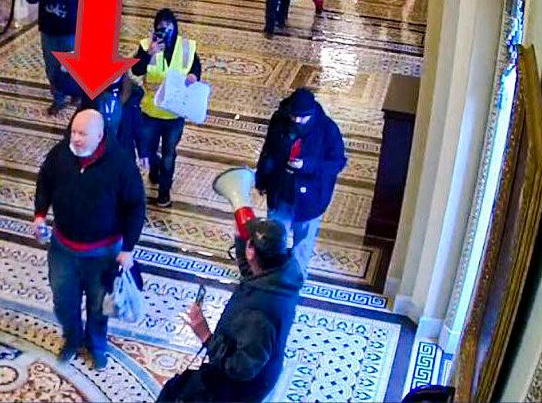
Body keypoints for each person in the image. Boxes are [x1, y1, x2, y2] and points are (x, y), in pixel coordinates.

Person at [32, 109, 146, 370]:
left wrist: (128, 248)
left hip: (103, 254)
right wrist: (40, 215)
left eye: (83, 134)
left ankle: (96, 344)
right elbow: (44, 184)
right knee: (64, 302)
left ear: (99, 135)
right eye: (73, 132)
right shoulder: (60, 155)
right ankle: (72, 338)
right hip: (63, 249)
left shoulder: (120, 163)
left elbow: (135, 206)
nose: (76, 138)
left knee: (98, 306)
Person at [158, 218, 303, 403]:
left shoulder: (259, 314)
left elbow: (241, 368)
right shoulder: (282, 275)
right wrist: (240, 239)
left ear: (252, 252)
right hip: (262, 369)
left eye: (248, 241)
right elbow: (251, 273)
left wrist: (206, 336)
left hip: (238, 389)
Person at [255, 88, 346, 273]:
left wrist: (306, 165)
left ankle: (295, 280)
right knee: (274, 241)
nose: (296, 121)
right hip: (280, 193)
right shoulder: (280, 121)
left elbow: (336, 163)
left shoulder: (328, 129)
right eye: (294, 116)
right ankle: (271, 277)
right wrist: (262, 180)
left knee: (302, 245)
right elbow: (269, 152)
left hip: (310, 199)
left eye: (302, 118)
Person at [131, 9, 201, 207]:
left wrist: (194, 76)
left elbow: (196, 67)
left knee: (170, 153)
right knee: (148, 150)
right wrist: (148, 54)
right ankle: (155, 168)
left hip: (174, 114)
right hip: (150, 112)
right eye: (161, 29)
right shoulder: (147, 45)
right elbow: (136, 70)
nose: (166, 33)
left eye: (170, 29)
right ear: (155, 29)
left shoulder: (186, 47)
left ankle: (164, 191)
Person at [24, 0, 80, 115]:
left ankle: (76, 92)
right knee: (52, 67)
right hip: (48, 31)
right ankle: (58, 98)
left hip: (68, 30)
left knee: (72, 65)